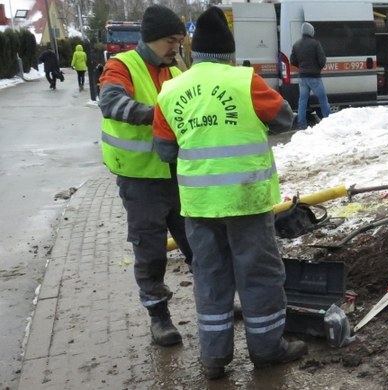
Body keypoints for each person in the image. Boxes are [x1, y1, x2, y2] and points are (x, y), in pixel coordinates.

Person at [152, 6, 302, 380]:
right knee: (259, 274)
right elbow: (284, 119)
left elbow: (165, 151)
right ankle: (268, 350)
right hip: (246, 200)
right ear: (228, 52)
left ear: (195, 51)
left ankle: (214, 358)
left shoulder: (170, 90)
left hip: (199, 206)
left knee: (211, 276)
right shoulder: (243, 81)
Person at [98, 4, 192, 348]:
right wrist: (159, 116)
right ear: (151, 39)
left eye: (179, 41)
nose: (176, 48)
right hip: (140, 181)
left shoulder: (175, 73)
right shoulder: (121, 66)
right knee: (151, 252)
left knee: (200, 245)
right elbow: (111, 103)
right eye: (171, 41)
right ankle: (159, 317)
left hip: (178, 175)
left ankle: (217, 302)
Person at [289, 22, 331, 130]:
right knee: (322, 99)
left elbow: (292, 60)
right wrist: (317, 68)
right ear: (311, 31)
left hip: (303, 77)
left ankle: (302, 124)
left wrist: (301, 67)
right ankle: (329, 121)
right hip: (314, 77)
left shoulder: (296, 44)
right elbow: (322, 60)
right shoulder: (315, 43)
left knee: (302, 101)